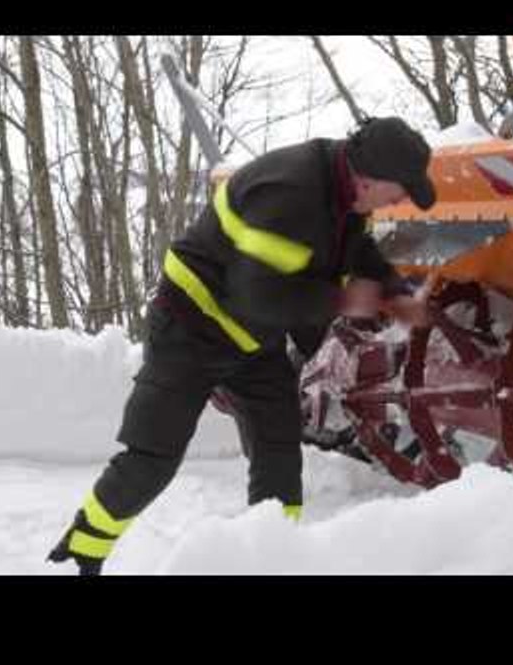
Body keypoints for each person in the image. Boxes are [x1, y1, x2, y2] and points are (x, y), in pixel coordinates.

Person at [48, 116, 436, 575]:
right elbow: (261, 294)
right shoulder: (289, 193)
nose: (404, 200)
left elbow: (356, 251)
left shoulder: (345, 192)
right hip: (189, 331)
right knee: (152, 458)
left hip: (253, 341)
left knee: (279, 452)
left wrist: (394, 293)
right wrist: (344, 300)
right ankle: (80, 555)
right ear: (369, 178)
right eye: (401, 188)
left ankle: (273, 559)